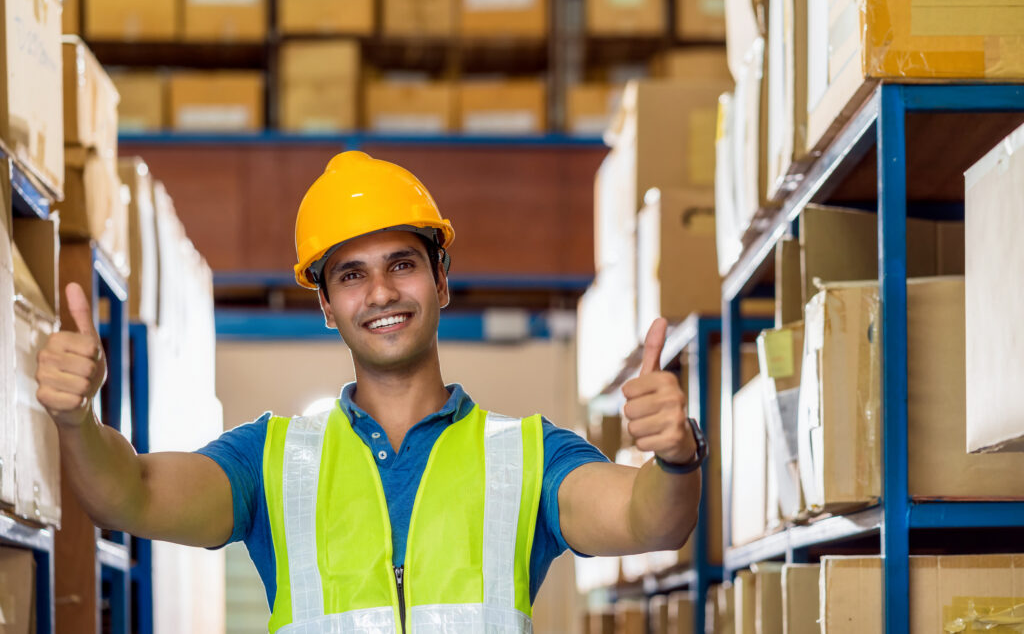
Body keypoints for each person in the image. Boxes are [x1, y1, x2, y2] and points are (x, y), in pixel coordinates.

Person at [36, 151, 704, 633]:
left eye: (402, 264)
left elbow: (652, 519)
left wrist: (676, 456)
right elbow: (130, 494)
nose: (380, 292)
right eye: (352, 275)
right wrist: (76, 421)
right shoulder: (268, 461)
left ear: (441, 280)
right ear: (326, 304)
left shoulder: (528, 454)